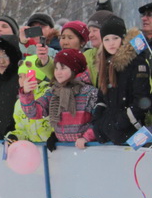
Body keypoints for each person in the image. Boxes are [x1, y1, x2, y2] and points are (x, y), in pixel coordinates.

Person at [20, 49, 98, 150]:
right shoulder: (54, 92)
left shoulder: (89, 92)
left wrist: (86, 138)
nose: (58, 73)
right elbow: (34, 113)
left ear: (74, 69)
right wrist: (26, 93)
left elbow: (99, 120)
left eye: (63, 68)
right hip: (63, 149)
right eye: (56, 68)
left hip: (89, 149)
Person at [92, 16, 152, 145]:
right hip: (113, 132)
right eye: (106, 39)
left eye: (115, 38)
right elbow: (101, 98)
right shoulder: (104, 64)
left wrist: (120, 123)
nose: (111, 43)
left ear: (123, 39)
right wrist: (99, 123)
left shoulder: (137, 62)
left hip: (135, 132)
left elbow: (141, 100)